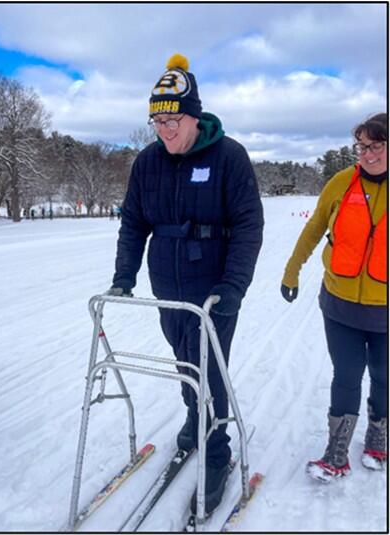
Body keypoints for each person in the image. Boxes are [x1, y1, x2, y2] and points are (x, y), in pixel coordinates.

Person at [107, 54, 264, 514]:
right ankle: (196, 418)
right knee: (183, 362)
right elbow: (133, 223)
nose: (164, 128)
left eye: (173, 118)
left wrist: (234, 284)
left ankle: (216, 452)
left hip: (215, 288)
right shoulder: (147, 163)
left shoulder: (228, 156)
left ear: (194, 115)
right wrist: (124, 276)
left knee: (209, 370)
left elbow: (249, 224)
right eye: (157, 118)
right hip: (167, 282)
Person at [281, 113, 387, 482]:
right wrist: (291, 271)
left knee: (384, 374)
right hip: (340, 303)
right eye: (361, 146)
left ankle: (378, 437)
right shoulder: (341, 183)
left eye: (376, 145)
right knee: (346, 375)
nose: (367, 154)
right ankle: (336, 452)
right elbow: (314, 229)